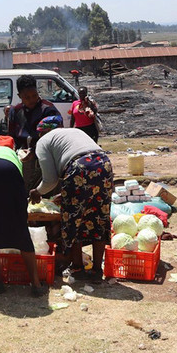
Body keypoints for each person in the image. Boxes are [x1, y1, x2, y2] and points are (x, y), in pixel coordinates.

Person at [28, 119, 114, 283]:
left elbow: (50, 180)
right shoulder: (72, 132)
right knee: (99, 217)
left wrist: (36, 192)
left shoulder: (43, 142)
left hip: (79, 167)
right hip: (104, 164)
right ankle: (97, 271)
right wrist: (67, 193)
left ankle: (77, 268)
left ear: (41, 133)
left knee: (73, 219)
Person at [0, 135, 45, 295]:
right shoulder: (13, 156)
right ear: (11, 148)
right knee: (19, 225)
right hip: (7, 170)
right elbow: (19, 187)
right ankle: (36, 284)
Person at [7, 75, 62, 190]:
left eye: (34, 95)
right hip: (23, 158)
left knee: (47, 189)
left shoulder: (48, 109)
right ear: (19, 96)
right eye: (27, 97)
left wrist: (34, 151)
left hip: (45, 156)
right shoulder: (16, 111)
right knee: (24, 189)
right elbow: (12, 135)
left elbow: (55, 136)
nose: (32, 100)